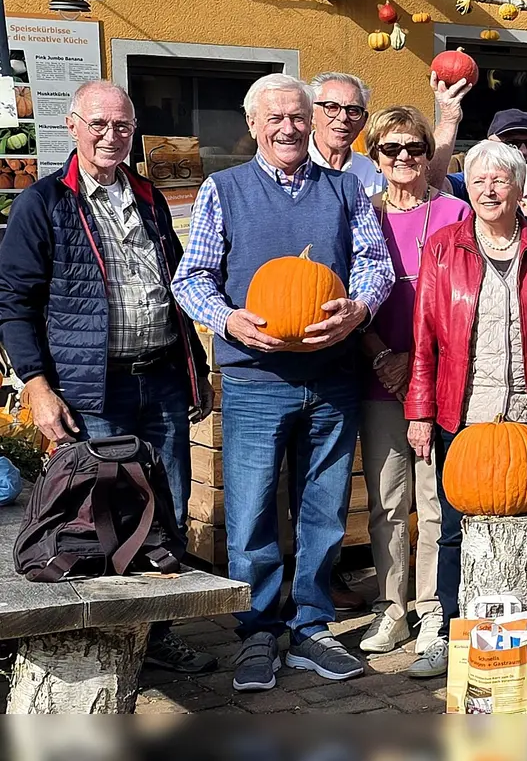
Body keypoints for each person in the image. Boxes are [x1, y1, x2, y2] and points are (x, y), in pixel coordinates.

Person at [172, 73, 395, 692]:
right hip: (255, 378)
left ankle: (313, 627)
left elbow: (375, 265)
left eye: (299, 116)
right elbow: (191, 280)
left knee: (323, 512)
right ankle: (257, 631)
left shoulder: (346, 189)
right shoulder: (224, 190)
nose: (289, 128)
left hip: (331, 377)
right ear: (252, 126)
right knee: (250, 513)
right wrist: (231, 321)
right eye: (275, 118)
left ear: (313, 121)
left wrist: (359, 309)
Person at [0, 80, 216, 674]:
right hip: (90, 387)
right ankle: (104, 641)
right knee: (100, 510)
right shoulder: (43, 203)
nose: (110, 136)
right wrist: (37, 385)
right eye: (97, 124)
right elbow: (13, 301)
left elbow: (174, 290)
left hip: (162, 379)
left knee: (165, 506)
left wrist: (195, 371)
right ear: (72, 126)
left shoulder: (147, 196)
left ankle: (157, 635)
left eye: (121, 126)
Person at [405, 140, 527, 677]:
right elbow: (424, 335)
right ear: (465, 188)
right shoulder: (444, 247)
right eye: (479, 181)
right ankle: (451, 635)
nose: (490, 190)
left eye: (501, 180)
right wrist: (420, 411)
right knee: (454, 529)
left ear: (520, 189)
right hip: (463, 412)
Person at [353, 106, 471, 659]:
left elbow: (464, 297)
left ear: (430, 154)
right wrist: (384, 358)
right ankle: (390, 606)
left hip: (438, 376)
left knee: (434, 500)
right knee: (386, 500)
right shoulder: (363, 212)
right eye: (391, 148)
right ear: (374, 155)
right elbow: (346, 293)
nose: (404, 157)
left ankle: (431, 610)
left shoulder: (454, 212)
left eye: (415, 148)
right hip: (379, 375)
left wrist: (417, 361)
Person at [308, 72, 386, 197]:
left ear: (363, 121)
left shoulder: (372, 172)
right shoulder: (290, 165)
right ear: (311, 114)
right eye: (332, 107)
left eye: (353, 110)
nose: (343, 118)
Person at [446, 110, 527, 200]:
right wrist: (449, 120)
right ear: (490, 146)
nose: (523, 151)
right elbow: (435, 187)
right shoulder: (475, 181)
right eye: (512, 144)